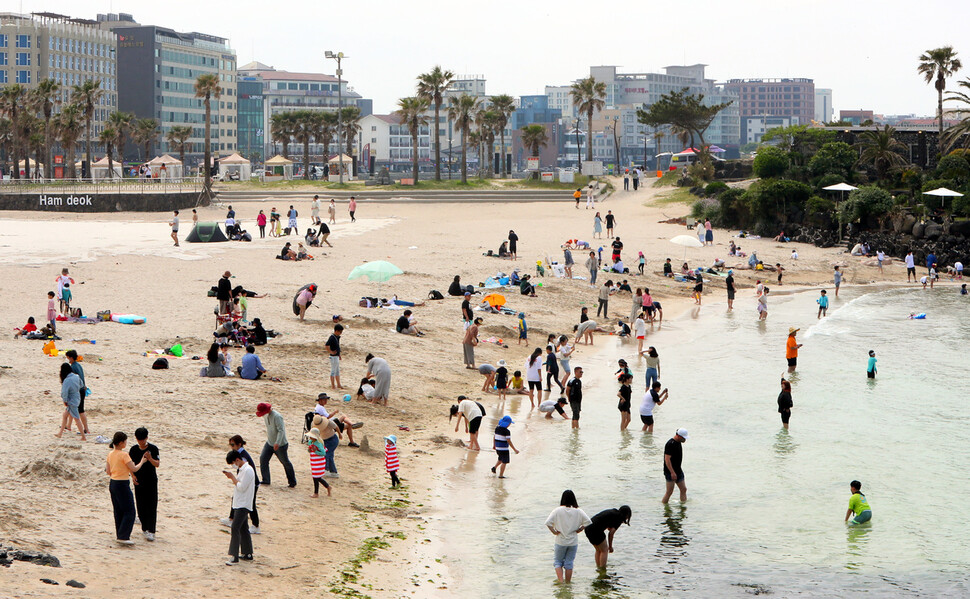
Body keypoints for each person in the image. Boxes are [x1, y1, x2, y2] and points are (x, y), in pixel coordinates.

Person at [105, 432, 149, 545]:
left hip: (113, 483)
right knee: (130, 511)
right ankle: (123, 536)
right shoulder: (124, 454)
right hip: (122, 483)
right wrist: (142, 462)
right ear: (121, 442)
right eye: (125, 441)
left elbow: (108, 471)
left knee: (118, 510)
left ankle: (120, 534)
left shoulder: (110, 454)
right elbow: (134, 468)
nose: (126, 443)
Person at [545, 490, 592, 583]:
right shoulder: (578, 511)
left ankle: (561, 582)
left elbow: (548, 523)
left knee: (558, 562)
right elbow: (588, 522)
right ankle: (568, 583)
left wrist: (554, 532)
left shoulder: (557, 510)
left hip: (560, 541)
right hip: (573, 541)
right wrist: (580, 529)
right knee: (569, 563)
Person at [222, 436, 260, 534]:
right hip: (246, 480)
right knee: (235, 498)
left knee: (251, 503)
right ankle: (231, 518)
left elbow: (244, 471)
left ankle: (255, 525)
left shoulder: (242, 456)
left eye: (233, 445)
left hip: (252, 482)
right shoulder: (240, 454)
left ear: (239, 444)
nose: (232, 447)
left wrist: (233, 478)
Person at [223, 449, 255, 565]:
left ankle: (234, 556)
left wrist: (232, 478)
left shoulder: (248, 470)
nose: (233, 466)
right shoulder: (241, 470)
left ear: (237, 460)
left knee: (235, 527)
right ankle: (247, 553)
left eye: (233, 463)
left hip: (244, 504)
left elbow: (241, 487)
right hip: (239, 503)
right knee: (243, 528)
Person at [129, 427, 160, 541]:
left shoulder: (153, 449)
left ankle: (151, 530)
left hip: (151, 480)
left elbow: (157, 464)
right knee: (141, 505)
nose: (141, 442)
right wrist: (132, 476)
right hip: (139, 480)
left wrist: (150, 458)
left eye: (142, 439)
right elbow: (130, 464)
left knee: (151, 505)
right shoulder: (133, 450)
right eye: (139, 439)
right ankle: (144, 527)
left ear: (146, 438)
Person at [256, 403, 297, 487]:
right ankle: (266, 480)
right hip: (270, 442)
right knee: (263, 459)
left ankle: (292, 482)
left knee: (285, 462)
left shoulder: (277, 416)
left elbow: (281, 430)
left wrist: (277, 442)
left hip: (280, 445)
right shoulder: (266, 416)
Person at [55, 362, 85, 441]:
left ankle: (83, 436)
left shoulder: (67, 380)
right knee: (65, 415)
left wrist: (65, 401)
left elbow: (64, 392)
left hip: (71, 401)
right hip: (77, 398)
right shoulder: (76, 376)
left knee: (76, 418)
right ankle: (60, 433)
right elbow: (81, 385)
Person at [65, 350, 89, 434]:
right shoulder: (78, 365)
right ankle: (68, 426)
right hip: (82, 389)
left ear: (71, 357)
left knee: (80, 410)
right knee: (73, 408)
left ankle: (86, 429)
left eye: (68, 357)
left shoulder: (73, 367)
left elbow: (74, 381)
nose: (67, 359)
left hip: (79, 391)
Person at [662, 428, 688, 504]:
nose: (685, 440)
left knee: (683, 489)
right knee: (669, 492)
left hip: (678, 470)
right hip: (670, 472)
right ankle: (665, 507)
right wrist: (672, 472)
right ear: (679, 436)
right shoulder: (670, 444)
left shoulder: (678, 442)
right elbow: (667, 459)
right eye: (684, 438)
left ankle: (683, 507)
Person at [304, 428, 332, 497]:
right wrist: (310, 450)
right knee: (317, 477)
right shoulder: (311, 442)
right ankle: (327, 487)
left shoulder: (319, 444)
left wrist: (315, 451)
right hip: (314, 462)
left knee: (316, 477)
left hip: (319, 462)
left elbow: (323, 453)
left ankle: (316, 493)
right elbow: (309, 450)